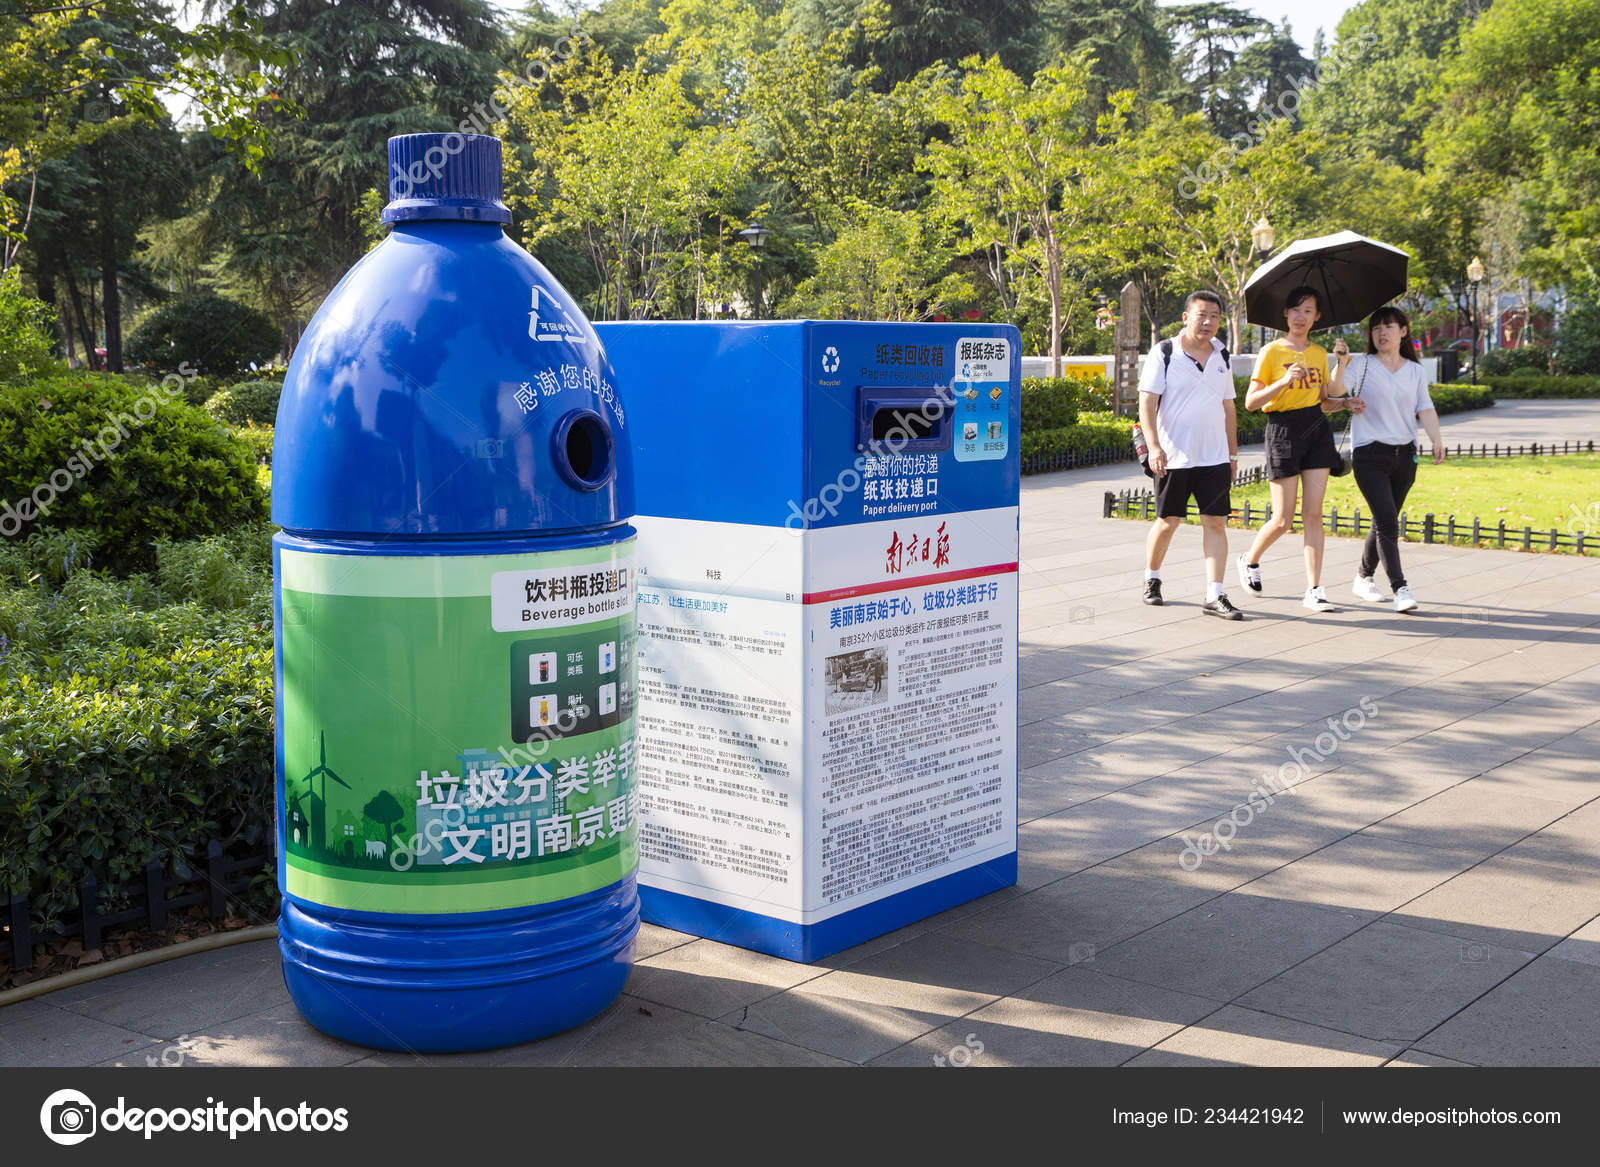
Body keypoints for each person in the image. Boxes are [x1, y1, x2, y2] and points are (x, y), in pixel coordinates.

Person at [1329, 305, 1444, 613]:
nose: (1382, 333)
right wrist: (1340, 364)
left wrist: (1436, 439)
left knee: (1385, 520)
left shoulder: (1415, 371)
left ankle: (1363, 577)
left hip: (1405, 455)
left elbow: (1426, 408)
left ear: (1403, 332)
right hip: (1369, 453)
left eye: (1389, 327)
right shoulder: (1361, 364)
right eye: (1376, 328)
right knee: (1387, 521)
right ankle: (1400, 588)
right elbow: (1335, 390)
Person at [1138, 290, 1243, 619]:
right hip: (1174, 457)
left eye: (1214, 316)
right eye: (1202, 314)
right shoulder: (1165, 352)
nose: (1209, 321)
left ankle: (1215, 594)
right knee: (1168, 522)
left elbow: (1229, 407)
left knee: (1216, 523)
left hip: (1213, 457)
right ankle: (1151, 578)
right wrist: (1154, 446)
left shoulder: (1222, 354)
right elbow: (1147, 402)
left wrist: (1233, 454)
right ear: (1186, 317)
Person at [1236, 285, 1342, 612]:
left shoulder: (1319, 353)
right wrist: (1282, 382)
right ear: (1285, 313)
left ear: (1317, 317)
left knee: (1313, 514)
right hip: (1282, 429)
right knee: (1283, 519)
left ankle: (1314, 589)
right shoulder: (1271, 352)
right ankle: (1250, 559)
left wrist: (1343, 375)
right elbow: (1251, 403)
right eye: (1295, 309)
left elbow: (1324, 401)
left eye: (1308, 311)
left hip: (1316, 430)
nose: (1300, 316)